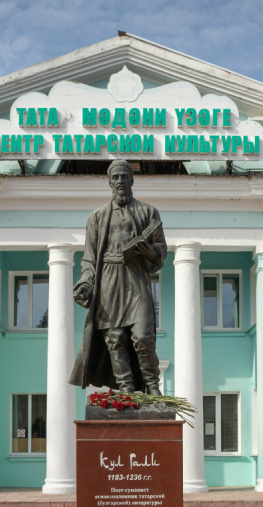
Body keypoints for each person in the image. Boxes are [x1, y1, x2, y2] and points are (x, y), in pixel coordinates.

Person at [68, 158, 168, 394]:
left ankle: (153, 388)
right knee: (115, 340)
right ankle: (126, 392)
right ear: (109, 182)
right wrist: (86, 281)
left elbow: (162, 250)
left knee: (143, 337)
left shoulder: (148, 212)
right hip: (109, 282)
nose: (120, 181)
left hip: (136, 279)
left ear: (132, 180)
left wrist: (150, 251)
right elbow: (89, 258)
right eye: (115, 177)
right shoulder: (97, 217)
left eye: (125, 176)